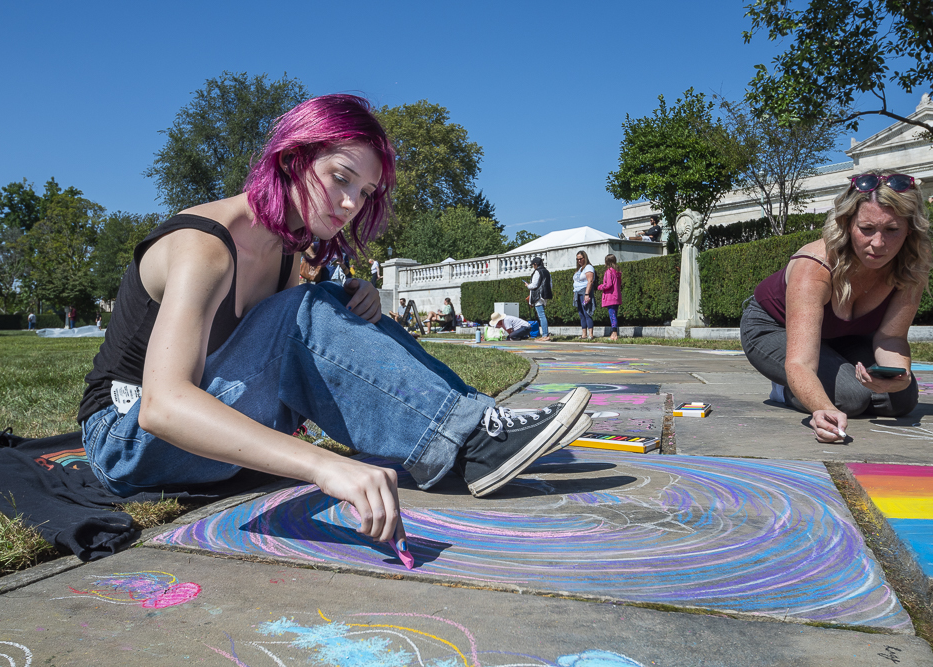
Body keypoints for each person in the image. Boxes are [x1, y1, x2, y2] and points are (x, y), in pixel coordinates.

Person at [77, 94, 591, 551]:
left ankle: (471, 431)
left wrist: (349, 303)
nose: (351, 204)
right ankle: (472, 439)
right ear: (292, 158)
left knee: (328, 299)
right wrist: (324, 464)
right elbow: (163, 406)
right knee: (313, 304)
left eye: (365, 192)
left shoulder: (284, 252)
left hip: (194, 432)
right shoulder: (205, 246)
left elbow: (278, 355)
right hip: (124, 442)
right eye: (340, 178)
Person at [740, 170, 931, 443]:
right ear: (847, 223)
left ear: (909, 229)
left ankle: (830, 371)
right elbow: (801, 361)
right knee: (851, 398)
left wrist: (899, 376)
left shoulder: (911, 265)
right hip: (773, 327)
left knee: (901, 399)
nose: (878, 244)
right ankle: (785, 389)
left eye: (892, 230)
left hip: (841, 336)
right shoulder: (815, 266)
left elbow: (891, 336)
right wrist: (822, 409)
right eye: (866, 229)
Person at [522, 257, 552, 341]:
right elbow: (550, 284)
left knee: (541, 315)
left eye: (533, 265)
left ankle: (545, 335)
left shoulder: (537, 272)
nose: (533, 266)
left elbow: (534, 285)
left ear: (535, 264)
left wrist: (528, 285)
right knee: (542, 315)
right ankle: (545, 335)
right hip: (544, 295)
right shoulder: (546, 272)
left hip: (538, 296)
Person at [597, 254, 622, 341]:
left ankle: (614, 334)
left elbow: (608, 284)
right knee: (614, 314)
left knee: (612, 315)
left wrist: (600, 286)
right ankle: (613, 333)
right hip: (617, 295)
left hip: (610, 296)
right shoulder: (617, 272)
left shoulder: (609, 272)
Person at [572, 250, 596, 340]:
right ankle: (584, 334)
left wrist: (587, 294)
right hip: (578, 292)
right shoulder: (579, 269)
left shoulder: (588, 267)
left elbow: (590, 281)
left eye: (580, 259)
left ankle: (591, 334)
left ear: (584, 258)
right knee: (581, 313)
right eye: (577, 259)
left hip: (584, 291)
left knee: (587, 312)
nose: (579, 261)